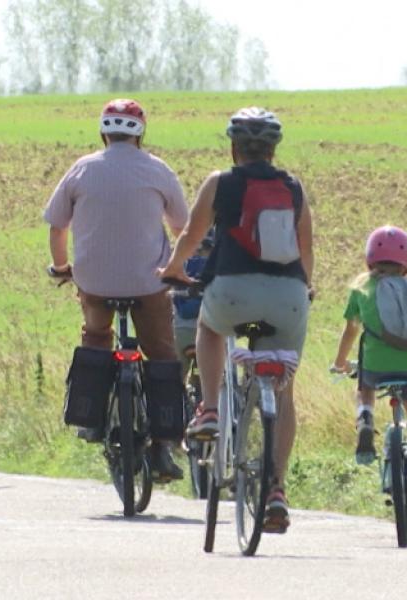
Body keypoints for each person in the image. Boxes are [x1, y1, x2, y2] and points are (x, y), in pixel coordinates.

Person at [159, 107, 313, 533]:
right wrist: (304, 289)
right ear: (274, 149)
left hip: (231, 292)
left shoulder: (219, 182)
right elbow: (306, 250)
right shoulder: (293, 187)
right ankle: (277, 488)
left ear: (233, 147)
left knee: (210, 328)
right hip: (288, 298)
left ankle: (208, 409)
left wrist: (173, 268)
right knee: (283, 391)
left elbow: (192, 234)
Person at [44, 98, 189, 482]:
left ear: (103, 131)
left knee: (96, 334)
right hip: (149, 282)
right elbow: (182, 228)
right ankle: (162, 446)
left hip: (93, 281)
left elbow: (57, 227)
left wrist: (62, 268)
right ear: (141, 134)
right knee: (160, 352)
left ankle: (91, 420)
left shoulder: (82, 169)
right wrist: (179, 268)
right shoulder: (158, 170)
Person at [331, 225, 407, 523]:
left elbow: (351, 331)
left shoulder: (361, 288)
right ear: (406, 261)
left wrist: (340, 362)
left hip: (374, 369)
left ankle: (365, 417)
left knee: (365, 382)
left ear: (369, 259)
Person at [172, 233, 214, 371]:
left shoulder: (180, 263)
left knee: (175, 379)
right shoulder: (218, 266)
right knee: (217, 376)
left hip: (180, 331)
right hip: (209, 333)